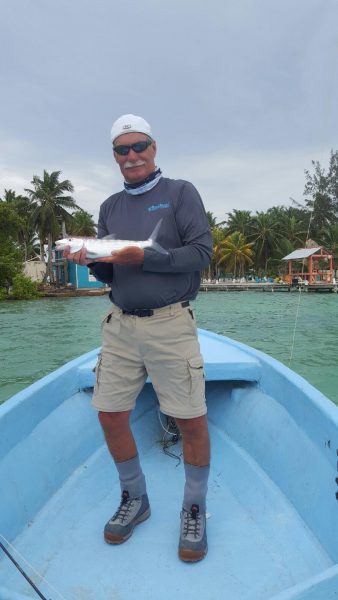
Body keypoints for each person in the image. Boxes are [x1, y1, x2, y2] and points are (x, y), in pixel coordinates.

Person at [64, 114, 213, 562]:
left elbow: (200, 254)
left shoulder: (181, 193)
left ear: (154, 147)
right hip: (120, 326)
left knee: (190, 421)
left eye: (139, 146)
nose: (131, 156)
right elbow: (111, 271)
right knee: (109, 414)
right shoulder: (109, 207)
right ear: (113, 156)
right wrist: (89, 258)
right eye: (121, 149)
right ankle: (136, 498)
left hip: (170, 323)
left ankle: (194, 508)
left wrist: (146, 256)